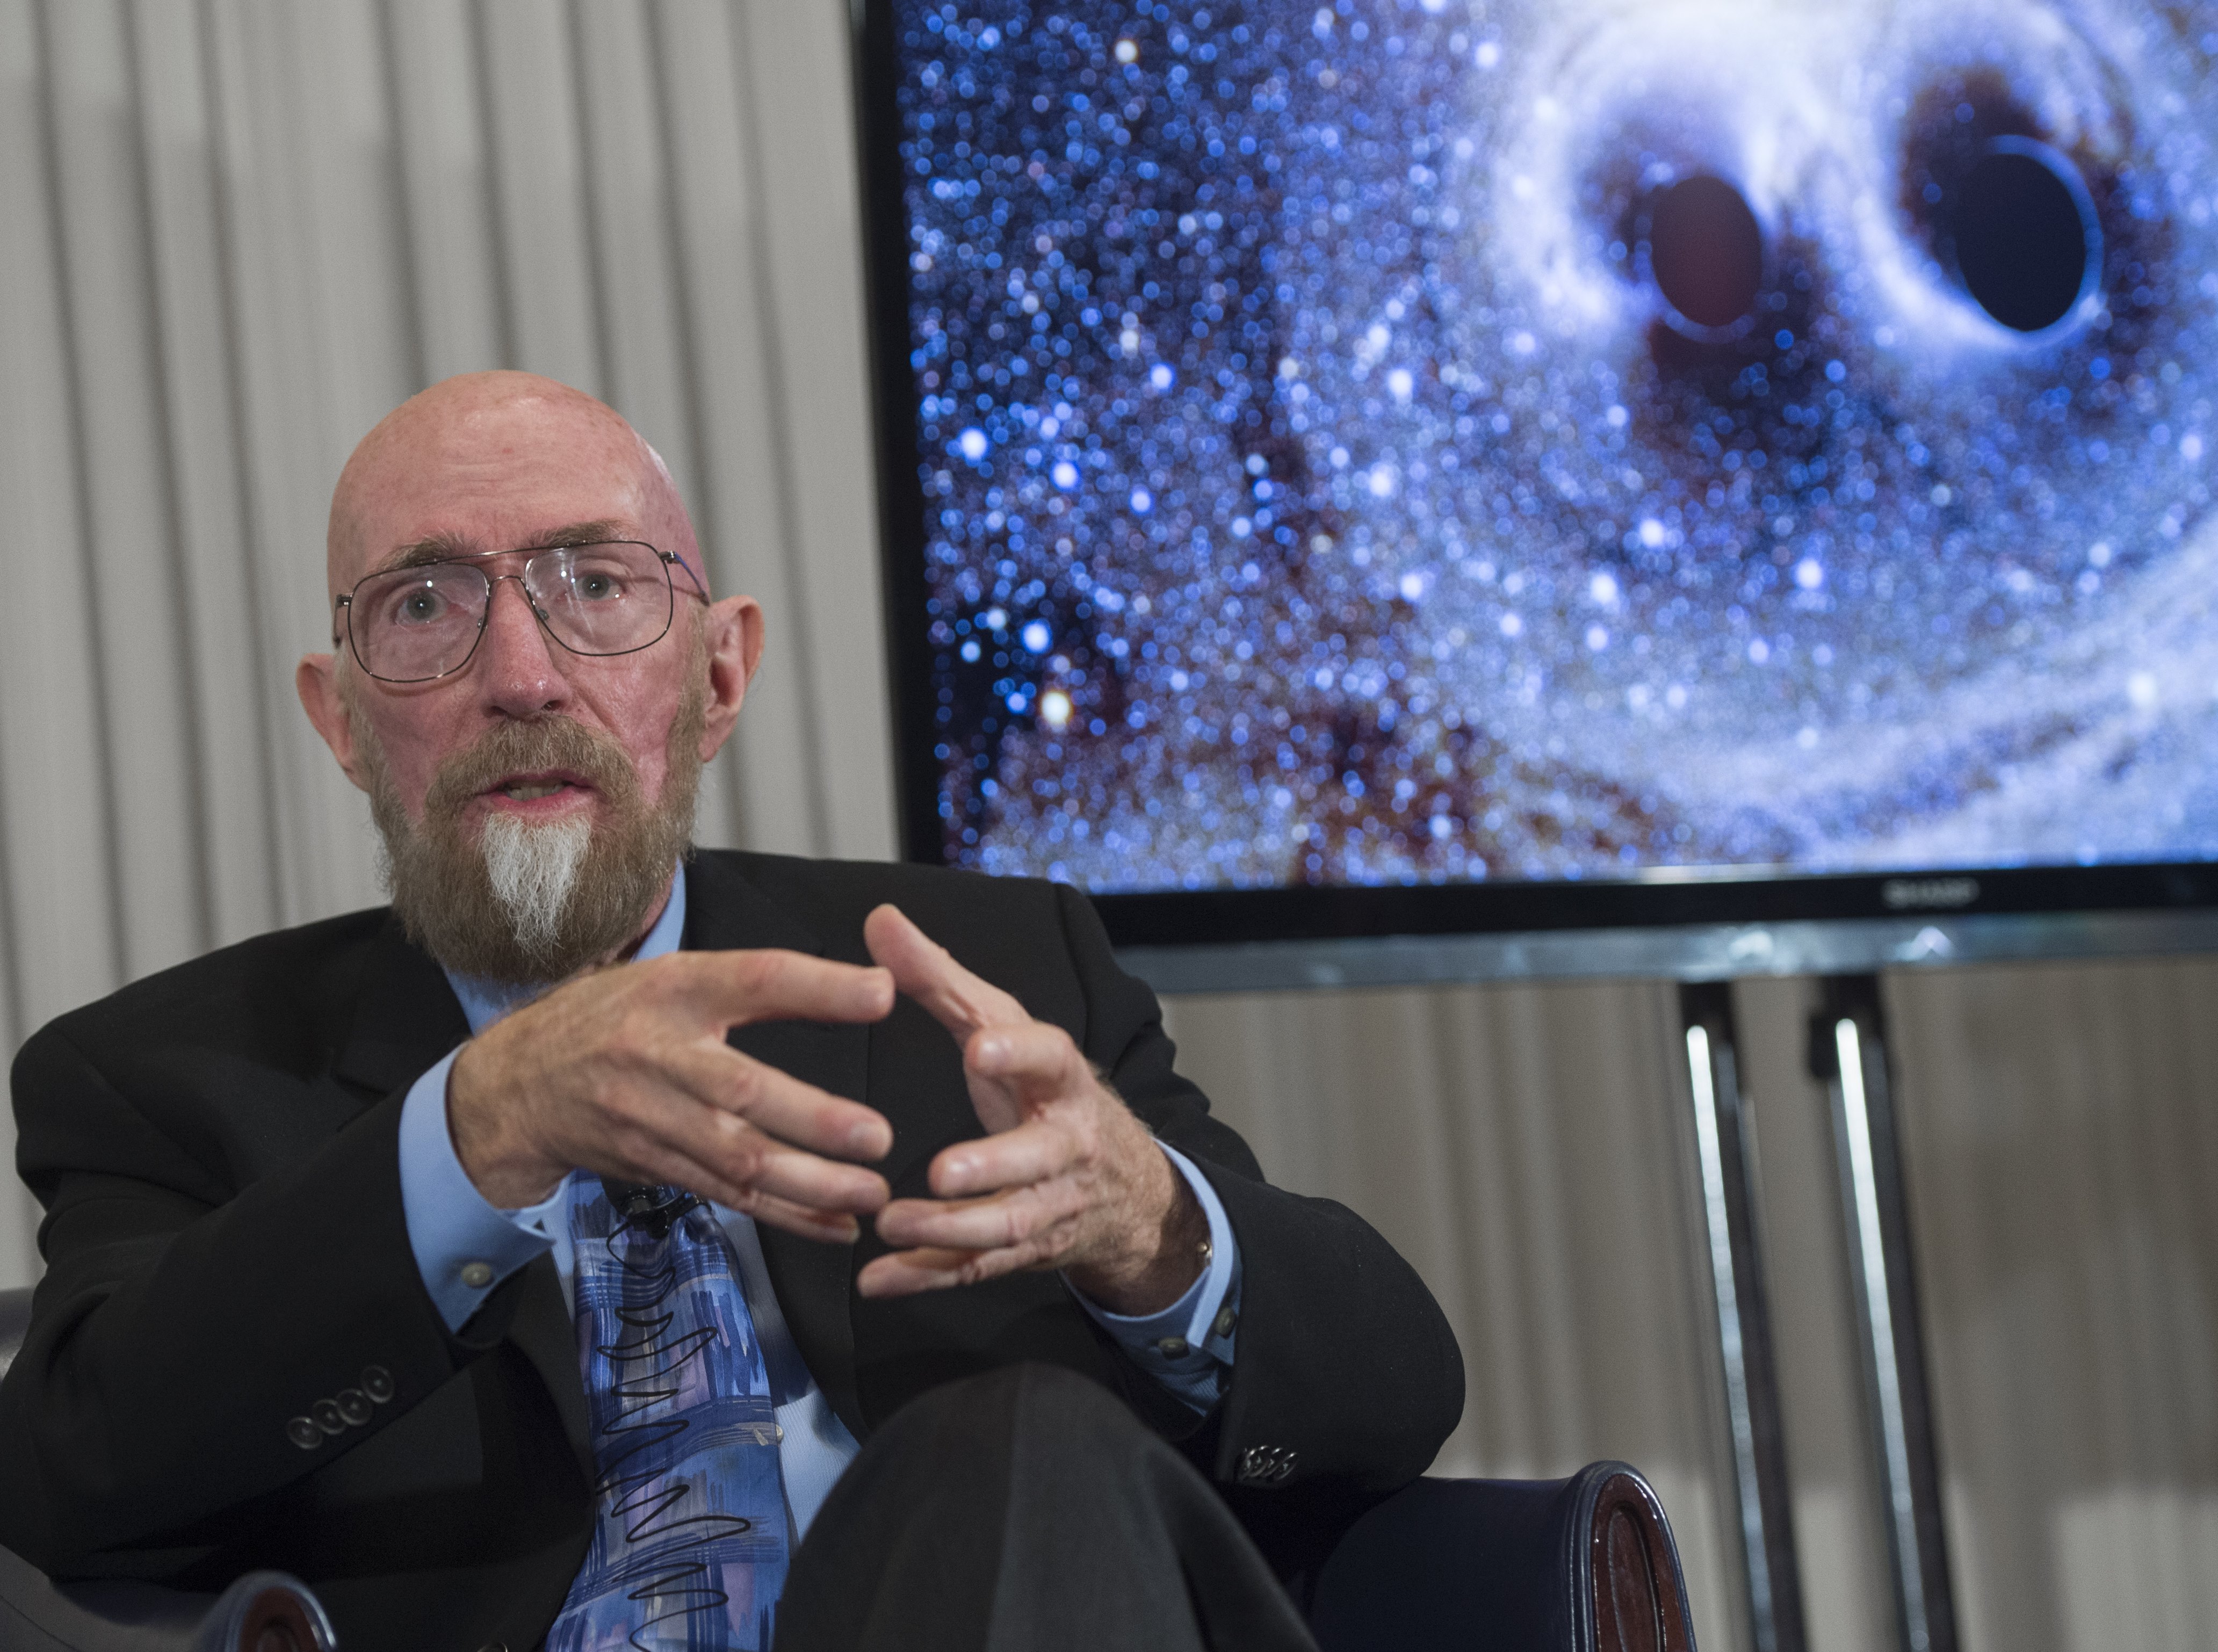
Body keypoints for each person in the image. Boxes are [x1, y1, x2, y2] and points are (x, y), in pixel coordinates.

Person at [0, 373, 1463, 1651]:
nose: (520, 674)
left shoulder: (993, 964)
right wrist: (480, 1126)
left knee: (1008, 1449)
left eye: (595, 583)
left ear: (718, 673)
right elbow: (67, 1474)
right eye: (425, 604)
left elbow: (1394, 1388)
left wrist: (1154, 1228)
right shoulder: (158, 1074)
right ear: (339, 719)